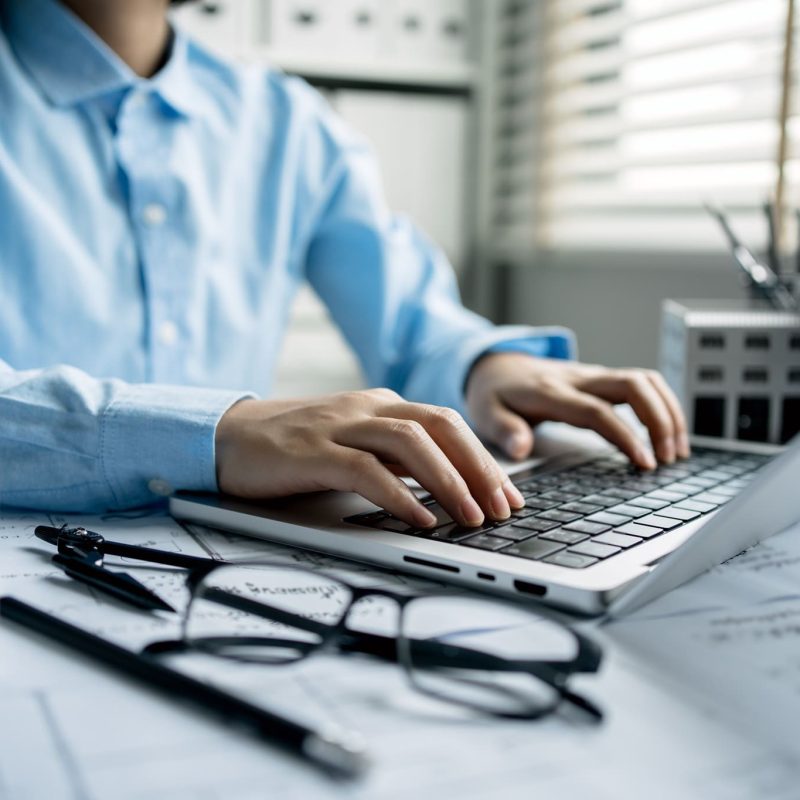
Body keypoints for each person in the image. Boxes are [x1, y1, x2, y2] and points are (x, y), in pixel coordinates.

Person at [0, 0, 689, 531]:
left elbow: (409, 322)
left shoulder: (283, 120)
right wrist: (218, 434)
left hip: (238, 568)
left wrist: (486, 367)